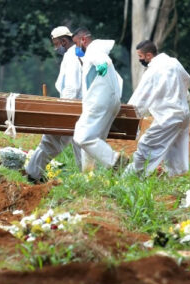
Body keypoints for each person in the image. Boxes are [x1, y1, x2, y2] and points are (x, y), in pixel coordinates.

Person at [24, 26, 83, 183]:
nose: (55, 48)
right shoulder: (75, 56)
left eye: (56, 44)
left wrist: (64, 110)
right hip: (74, 107)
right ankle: (33, 173)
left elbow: (71, 87)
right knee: (53, 141)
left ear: (64, 41)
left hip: (72, 108)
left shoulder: (71, 58)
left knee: (58, 142)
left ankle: (33, 173)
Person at [125, 40, 190, 176]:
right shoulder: (174, 62)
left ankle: (132, 176)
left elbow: (141, 97)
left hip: (168, 116)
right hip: (184, 114)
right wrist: (183, 97)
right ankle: (177, 177)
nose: (139, 60)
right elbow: (186, 79)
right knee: (176, 149)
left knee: (146, 145)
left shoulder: (153, 71)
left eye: (140, 57)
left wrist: (129, 116)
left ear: (148, 56)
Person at [71, 28, 126, 171]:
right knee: (94, 139)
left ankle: (114, 160)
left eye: (76, 43)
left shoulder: (93, 49)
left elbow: (104, 63)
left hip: (98, 102)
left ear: (83, 40)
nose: (77, 48)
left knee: (82, 136)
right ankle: (89, 174)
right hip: (108, 102)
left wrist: (101, 69)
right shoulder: (96, 51)